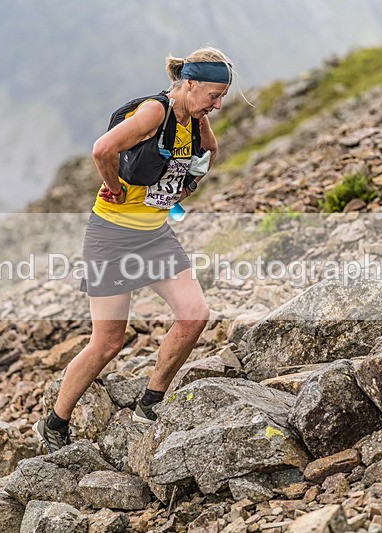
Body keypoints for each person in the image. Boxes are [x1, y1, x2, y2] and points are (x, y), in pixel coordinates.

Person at [34, 46, 235, 453]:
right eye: (212, 95)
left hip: (156, 236)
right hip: (111, 238)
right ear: (189, 83)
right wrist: (113, 186)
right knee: (108, 342)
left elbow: (210, 150)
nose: (216, 105)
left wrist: (187, 182)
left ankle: (151, 402)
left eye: (221, 98)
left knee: (195, 316)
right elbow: (102, 149)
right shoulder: (154, 112)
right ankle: (55, 422)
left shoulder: (195, 119)